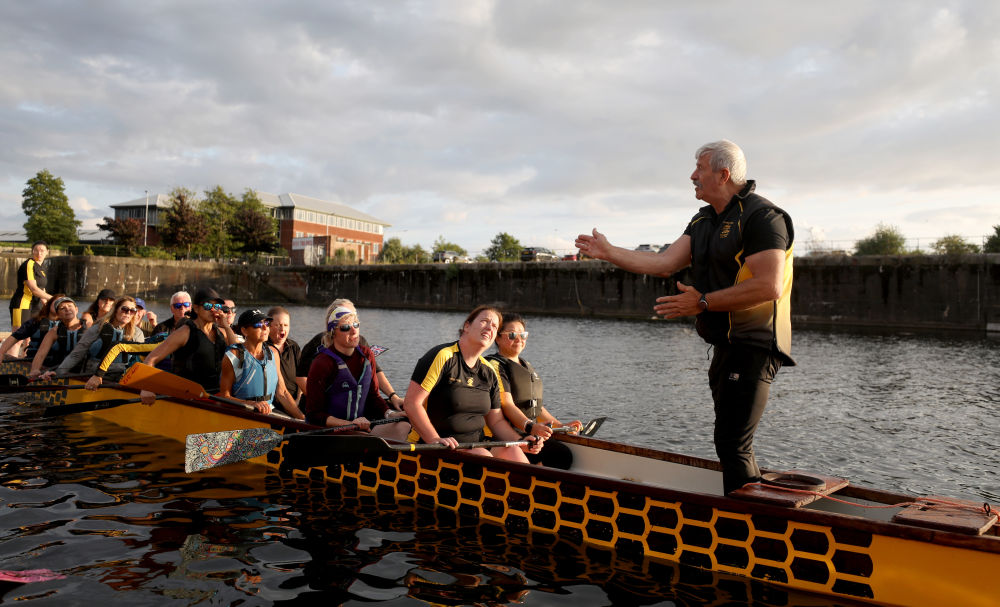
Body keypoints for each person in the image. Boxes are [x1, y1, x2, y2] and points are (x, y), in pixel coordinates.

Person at [575, 140, 794, 495]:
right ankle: (748, 513)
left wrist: (703, 302)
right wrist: (610, 252)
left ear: (723, 175)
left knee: (732, 443)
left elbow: (769, 286)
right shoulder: (704, 219)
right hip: (726, 346)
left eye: (701, 169)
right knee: (730, 443)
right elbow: (663, 263)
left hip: (754, 345)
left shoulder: (762, 217)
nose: (693, 176)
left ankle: (750, 527)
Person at [402, 305, 542, 461]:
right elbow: (411, 403)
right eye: (484, 321)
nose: (490, 327)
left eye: (495, 326)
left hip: (476, 444)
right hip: (437, 444)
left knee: (514, 451)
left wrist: (520, 441)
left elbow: (496, 420)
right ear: (467, 326)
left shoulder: (488, 371)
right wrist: (434, 439)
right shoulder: (443, 356)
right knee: (483, 456)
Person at [488, 313, 582, 469]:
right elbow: (507, 405)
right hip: (511, 434)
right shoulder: (495, 365)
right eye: (512, 335)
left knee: (563, 455)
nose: (519, 339)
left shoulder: (526, 365)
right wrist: (531, 427)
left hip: (529, 430)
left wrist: (561, 426)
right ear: (498, 338)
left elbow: (536, 407)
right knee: (559, 455)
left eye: (523, 334)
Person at [304, 306, 409, 440]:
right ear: (333, 333)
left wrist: (390, 414)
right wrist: (349, 424)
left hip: (357, 428)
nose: (353, 331)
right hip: (327, 431)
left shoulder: (366, 355)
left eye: (356, 325)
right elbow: (314, 414)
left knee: (403, 426)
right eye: (345, 327)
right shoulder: (322, 363)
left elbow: (373, 396)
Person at [296, 298, 404, 410]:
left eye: (354, 318)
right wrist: (328, 404)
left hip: (353, 407)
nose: (352, 325)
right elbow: (301, 377)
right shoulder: (317, 344)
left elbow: (375, 372)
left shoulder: (361, 344)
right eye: (345, 321)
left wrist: (393, 396)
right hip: (321, 409)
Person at [139, 288, 239, 404]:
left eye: (216, 307)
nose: (213, 310)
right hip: (188, 397)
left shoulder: (221, 332)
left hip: (215, 395)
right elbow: (150, 359)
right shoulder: (185, 332)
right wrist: (146, 388)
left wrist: (226, 326)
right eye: (207, 306)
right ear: (196, 308)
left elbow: (237, 354)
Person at [42, 296, 147, 388]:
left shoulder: (137, 334)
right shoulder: (98, 328)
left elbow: (141, 361)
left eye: (132, 311)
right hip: (94, 373)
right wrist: (58, 373)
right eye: (124, 309)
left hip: (121, 374)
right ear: (115, 310)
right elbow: (76, 354)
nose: (128, 313)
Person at [219, 309, 302, 418]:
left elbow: (282, 393)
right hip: (243, 413)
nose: (265, 328)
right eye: (258, 324)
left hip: (269, 411)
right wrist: (252, 404)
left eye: (267, 323)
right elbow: (224, 397)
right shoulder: (233, 355)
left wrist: (303, 418)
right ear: (244, 331)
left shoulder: (273, 353)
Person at [8, 241, 51, 358]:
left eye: (42, 250)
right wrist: (54, 298)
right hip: (23, 303)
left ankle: (25, 363)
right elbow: (34, 289)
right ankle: (8, 367)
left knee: (30, 338)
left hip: (36, 306)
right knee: (17, 338)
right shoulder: (29, 264)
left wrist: (50, 304)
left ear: (47, 252)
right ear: (32, 251)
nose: (39, 253)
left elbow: (42, 289)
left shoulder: (42, 267)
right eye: (36, 250)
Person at [28, 296, 84, 377]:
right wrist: (35, 370)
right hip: (60, 369)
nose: (67, 309)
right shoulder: (54, 332)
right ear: (58, 315)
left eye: (70, 306)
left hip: (85, 370)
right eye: (62, 308)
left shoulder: (89, 328)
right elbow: (40, 355)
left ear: (76, 310)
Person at [0, 296, 59, 362]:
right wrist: (1, 352)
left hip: (57, 361)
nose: (60, 306)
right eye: (57, 302)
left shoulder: (68, 325)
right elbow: (15, 336)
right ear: (49, 305)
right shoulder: (34, 322)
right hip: (33, 359)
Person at [265, 306, 301, 403]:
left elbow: (302, 375)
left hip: (297, 400)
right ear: (268, 325)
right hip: (275, 402)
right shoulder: (263, 347)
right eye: (278, 325)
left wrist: (298, 399)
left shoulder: (294, 346)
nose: (282, 329)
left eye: (286, 325)